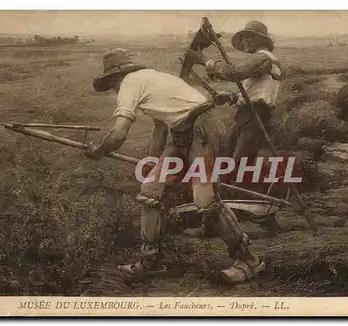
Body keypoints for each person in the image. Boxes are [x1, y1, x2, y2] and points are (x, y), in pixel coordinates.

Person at [84, 48, 265, 285]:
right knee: (150, 190)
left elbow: (118, 134)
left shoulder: (129, 83)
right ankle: (152, 262)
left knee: (204, 199)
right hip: (182, 135)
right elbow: (160, 128)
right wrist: (151, 161)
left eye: (111, 84)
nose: (114, 90)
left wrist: (99, 151)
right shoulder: (152, 79)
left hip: (202, 129)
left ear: (116, 77)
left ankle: (249, 261)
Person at [186, 20, 282, 164]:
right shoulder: (262, 60)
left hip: (255, 117)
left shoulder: (264, 58)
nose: (243, 42)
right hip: (248, 115)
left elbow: (234, 73)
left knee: (237, 163)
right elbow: (254, 92)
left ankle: (234, 185)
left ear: (259, 40)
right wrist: (231, 97)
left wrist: (205, 61)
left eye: (247, 37)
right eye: (242, 38)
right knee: (231, 157)